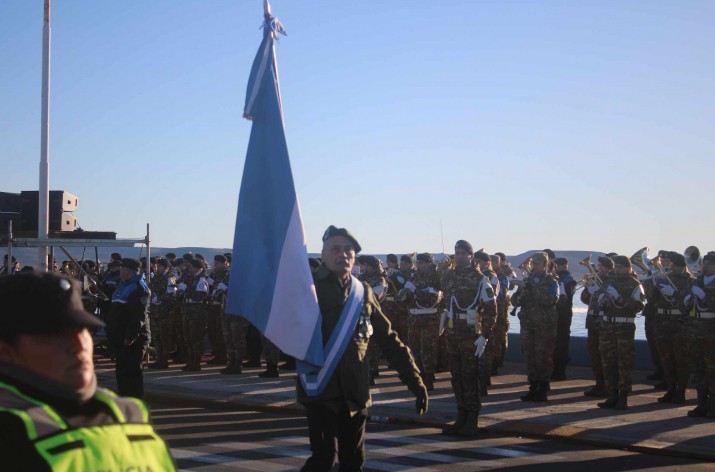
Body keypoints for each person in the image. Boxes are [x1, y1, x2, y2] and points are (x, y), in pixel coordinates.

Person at [0, 271, 175, 471]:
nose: (79, 344)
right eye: (56, 334)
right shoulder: (10, 431)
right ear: (4, 350)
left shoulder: (129, 414)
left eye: (82, 329)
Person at [297, 226, 427, 472]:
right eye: (336, 249)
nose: (343, 255)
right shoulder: (308, 290)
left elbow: (389, 339)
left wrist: (415, 381)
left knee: (354, 461)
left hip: (355, 393)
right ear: (323, 254)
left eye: (349, 250)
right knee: (322, 461)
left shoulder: (363, 292)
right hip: (321, 391)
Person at [440, 241, 497, 436]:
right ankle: (461, 416)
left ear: (471, 256)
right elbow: (446, 303)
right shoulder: (448, 277)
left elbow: (491, 309)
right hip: (453, 332)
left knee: (470, 377)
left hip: (470, 335)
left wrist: (484, 336)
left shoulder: (480, 279)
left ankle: (472, 420)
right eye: (457, 253)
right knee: (456, 377)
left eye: (464, 253)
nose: (460, 256)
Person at [596, 255, 645, 410]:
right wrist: (601, 299)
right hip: (607, 327)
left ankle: (623, 397)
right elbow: (598, 302)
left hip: (624, 328)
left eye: (621, 267)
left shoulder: (634, 284)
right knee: (608, 363)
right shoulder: (609, 282)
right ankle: (612, 395)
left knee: (624, 363)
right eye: (616, 267)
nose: (617, 270)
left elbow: (638, 307)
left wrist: (618, 297)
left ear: (628, 268)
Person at [511, 252, 559, 402]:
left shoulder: (552, 282)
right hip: (528, 324)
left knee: (543, 357)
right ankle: (532, 387)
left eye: (537, 264)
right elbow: (515, 301)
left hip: (544, 326)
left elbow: (552, 300)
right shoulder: (527, 280)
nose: (533, 267)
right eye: (533, 264)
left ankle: (542, 389)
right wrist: (518, 295)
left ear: (545, 265)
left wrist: (533, 290)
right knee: (530, 357)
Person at [105, 258, 151, 398]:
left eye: (122, 270)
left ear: (128, 271)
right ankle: (125, 398)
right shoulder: (124, 285)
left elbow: (138, 316)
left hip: (132, 338)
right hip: (121, 336)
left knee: (132, 371)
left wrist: (130, 336)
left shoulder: (138, 287)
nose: (120, 272)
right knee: (122, 370)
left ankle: (135, 400)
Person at [653, 252, 694, 404]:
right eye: (669, 264)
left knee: (681, 360)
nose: (669, 267)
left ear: (681, 266)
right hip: (663, 322)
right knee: (666, 359)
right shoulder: (664, 278)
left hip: (680, 323)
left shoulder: (691, 281)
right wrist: (653, 285)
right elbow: (651, 300)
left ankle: (680, 392)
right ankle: (670, 390)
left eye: (672, 265)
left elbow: (689, 302)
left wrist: (674, 293)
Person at [401, 252, 442, 391]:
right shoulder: (414, 276)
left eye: (422, 263)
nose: (419, 265)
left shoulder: (436, 277)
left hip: (429, 320)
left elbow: (433, 298)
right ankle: (419, 378)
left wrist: (416, 291)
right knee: (415, 350)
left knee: (428, 349)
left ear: (429, 264)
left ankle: (429, 378)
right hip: (414, 319)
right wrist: (406, 293)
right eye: (418, 263)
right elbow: (404, 297)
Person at [683, 252, 715, 418]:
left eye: (709, 264)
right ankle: (701, 404)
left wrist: (705, 296)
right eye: (705, 263)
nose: (705, 266)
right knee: (697, 369)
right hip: (695, 331)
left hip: (711, 333)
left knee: (712, 370)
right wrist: (688, 300)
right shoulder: (698, 281)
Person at [580, 256, 614, 397]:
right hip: (593, 320)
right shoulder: (594, 279)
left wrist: (599, 290)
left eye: (601, 266)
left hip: (605, 322)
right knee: (595, 355)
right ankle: (599, 384)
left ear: (609, 268)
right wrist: (588, 289)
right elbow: (584, 299)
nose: (598, 269)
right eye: (598, 266)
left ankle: (608, 386)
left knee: (606, 356)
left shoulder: (612, 281)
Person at [552, 257, 577, 380]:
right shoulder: (555, 277)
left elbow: (566, 299)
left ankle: (560, 371)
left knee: (561, 343)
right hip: (554, 314)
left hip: (563, 314)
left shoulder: (568, 280)